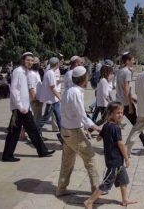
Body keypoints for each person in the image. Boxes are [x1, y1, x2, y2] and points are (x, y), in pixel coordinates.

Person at [2, 52, 55, 162]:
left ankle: (42, 151)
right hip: (19, 108)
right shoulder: (18, 71)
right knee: (15, 132)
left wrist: (27, 107)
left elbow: (24, 92)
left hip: (25, 108)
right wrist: (19, 106)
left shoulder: (26, 72)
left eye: (32, 60)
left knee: (31, 130)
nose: (30, 62)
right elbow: (14, 90)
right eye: (28, 60)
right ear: (23, 60)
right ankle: (7, 155)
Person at [57, 66, 101, 197]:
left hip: (66, 130)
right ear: (84, 79)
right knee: (91, 158)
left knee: (67, 161)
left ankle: (61, 188)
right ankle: (96, 191)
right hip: (73, 132)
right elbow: (81, 115)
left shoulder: (68, 91)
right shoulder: (75, 92)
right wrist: (95, 127)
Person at [84, 102, 138, 209]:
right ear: (111, 114)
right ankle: (89, 201)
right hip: (115, 160)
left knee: (123, 180)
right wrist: (126, 158)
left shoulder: (106, 126)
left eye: (122, 113)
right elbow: (121, 144)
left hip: (115, 160)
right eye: (118, 113)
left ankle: (125, 200)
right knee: (106, 183)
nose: (120, 115)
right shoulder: (116, 128)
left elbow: (99, 138)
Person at [116, 52, 144, 149]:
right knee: (137, 125)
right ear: (127, 61)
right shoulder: (127, 72)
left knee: (116, 124)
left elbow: (122, 89)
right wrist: (130, 105)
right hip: (125, 103)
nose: (134, 61)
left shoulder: (120, 71)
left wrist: (133, 98)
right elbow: (126, 89)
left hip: (119, 101)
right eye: (132, 60)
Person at [38, 57, 62, 138]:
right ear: (57, 64)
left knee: (59, 118)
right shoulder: (50, 73)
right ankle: (36, 133)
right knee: (45, 118)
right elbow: (52, 87)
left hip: (54, 100)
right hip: (51, 101)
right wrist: (60, 97)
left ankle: (63, 135)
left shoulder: (50, 72)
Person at [27, 57, 43, 124]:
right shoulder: (31, 74)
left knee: (37, 117)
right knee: (37, 118)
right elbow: (31, 88)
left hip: (39, 98)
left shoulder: (36, 72)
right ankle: (36, 133)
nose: (39, 64)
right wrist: (35, 99)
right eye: (38, 63)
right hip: (35, 99)